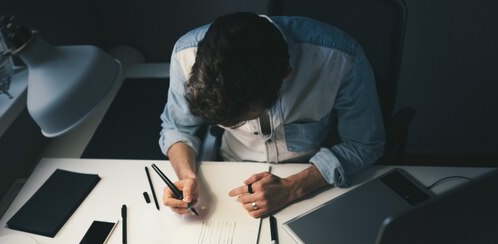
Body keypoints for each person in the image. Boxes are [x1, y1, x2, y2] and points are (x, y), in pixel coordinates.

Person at [159, 12, 385, 218]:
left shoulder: (341, 57)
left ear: (286, 76)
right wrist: (187, 175)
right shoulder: (186, 54)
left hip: (313, 174)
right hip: (231, 169)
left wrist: (292, 188)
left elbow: (363, 143)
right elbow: (177, 128)